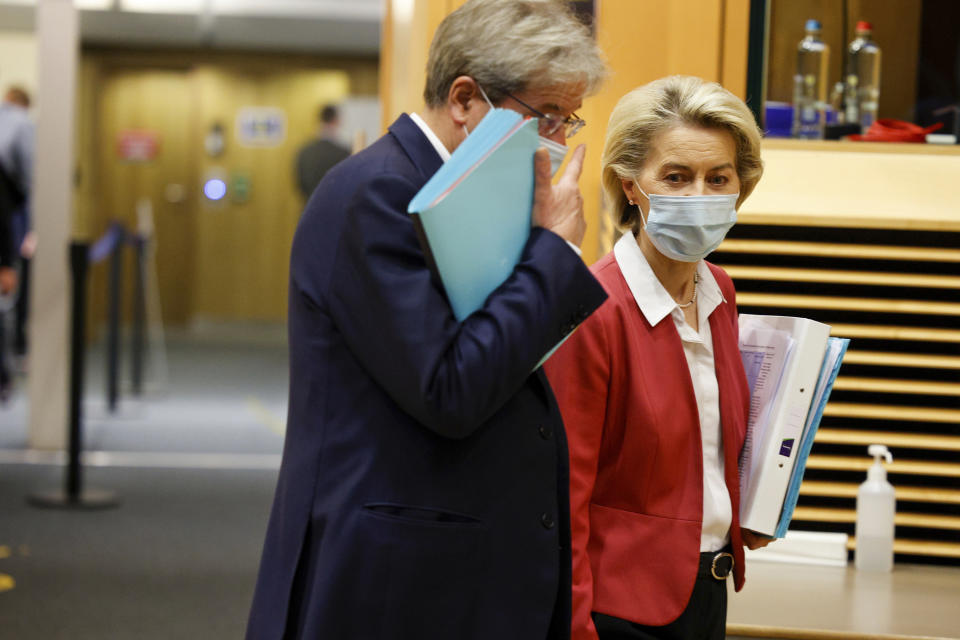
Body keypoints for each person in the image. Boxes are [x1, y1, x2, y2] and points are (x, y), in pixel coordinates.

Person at [245, 1, 607, 639]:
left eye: (567, 120)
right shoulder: (377, 193)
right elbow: (450, 387)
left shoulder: (470, 193)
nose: (557, 140)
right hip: (387, 581)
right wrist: (554, 251)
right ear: (466, 98)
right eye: (545, 116)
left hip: (453, 571)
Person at [543, 75, 772, 640]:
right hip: (619, 611)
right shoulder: (594, 308)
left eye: (717, 178)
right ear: (629, 185)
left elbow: (705, 448)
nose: (699, 194)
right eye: (675, 177)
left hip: (707, 592)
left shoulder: (719, 291)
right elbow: (561, 498)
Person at [0, 86, 33, 399]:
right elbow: (30, 180)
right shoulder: (23, 124)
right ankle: (6, 372)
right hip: (10, 220)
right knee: (7, 305)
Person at [293, 103, 351, 200]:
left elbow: (300, 184)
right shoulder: (344, 153)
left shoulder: (304, 151)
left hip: (308, 209)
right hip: (334, 210)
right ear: (335, 121)